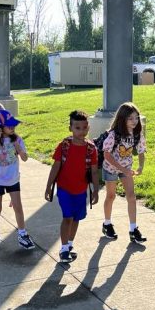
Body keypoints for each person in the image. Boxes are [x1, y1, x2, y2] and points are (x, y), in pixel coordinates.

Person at [44, 110, 99, 263]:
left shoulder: (91, 149)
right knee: (67, 217)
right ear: (70, 128)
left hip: (81, 190)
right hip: (64, 189)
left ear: (88, 128)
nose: (81, 131)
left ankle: (69, 245)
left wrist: (94, 191)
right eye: (77, 128)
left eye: (84, 127)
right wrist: (49, 186)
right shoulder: (64, 146)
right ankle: (63, 249)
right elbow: (55, 167)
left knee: (76, 218)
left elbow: (94, 171)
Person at [0, 110, 36, 253]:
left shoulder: (17, 139)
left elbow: (25, 158)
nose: (12, 128)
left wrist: (19, 149)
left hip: (12, 179)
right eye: (9, 125)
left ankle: (22, 234)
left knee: (18, 206)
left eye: (13, 125)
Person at [101, 102, 147, 243]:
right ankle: (107, 224)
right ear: (122, 119)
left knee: (131, 196)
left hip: (126, 168)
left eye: (136, 117)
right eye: (130, 118)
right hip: (110, 168)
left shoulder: (137, 134)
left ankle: (133, 229)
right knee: (111, 196)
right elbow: (107, 155)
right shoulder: (114, 135)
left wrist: (140, 166)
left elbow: (141, 151)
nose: (134, 121)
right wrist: (123, 169)